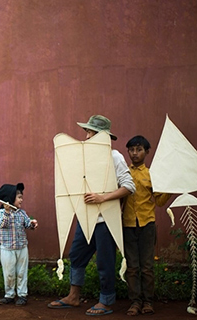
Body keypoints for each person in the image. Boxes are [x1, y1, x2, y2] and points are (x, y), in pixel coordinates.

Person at [48, 115, 136, 315]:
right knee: (76, 255)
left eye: (91, 133)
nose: (87, 136)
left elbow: (129, 187)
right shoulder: (83, 158)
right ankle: (73, 296)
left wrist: (102, 198)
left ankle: (106, 301)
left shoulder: (114, 157)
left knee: (105, 262)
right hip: (85, 217)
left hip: (106, 220)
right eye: (87, 132)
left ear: (102, 136)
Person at [123, 136, 171, 316]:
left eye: (139, 149)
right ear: (128, 151)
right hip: (127, 224)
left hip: (147, 225)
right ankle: (135, 302)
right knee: (132, 266)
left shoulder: (152, 174)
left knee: (147, 267)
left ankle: (148, 302)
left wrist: (169, 188)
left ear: (147, 152)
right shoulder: (123, 173)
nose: (135, 153)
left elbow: (159, 201)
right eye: (132, 150)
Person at [0, 183, 38, 307]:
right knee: (9, 273)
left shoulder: (22, 213)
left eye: (21, 197)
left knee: (21, 272)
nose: (21, 200)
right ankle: (9, 295)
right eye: (19, 197)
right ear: (10, 198)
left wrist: (32, 224)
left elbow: (27, 224)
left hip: (22, 248)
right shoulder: (1, 213)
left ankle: (22, 295)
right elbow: (3, 224)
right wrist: (7, 212)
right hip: (7, 249)